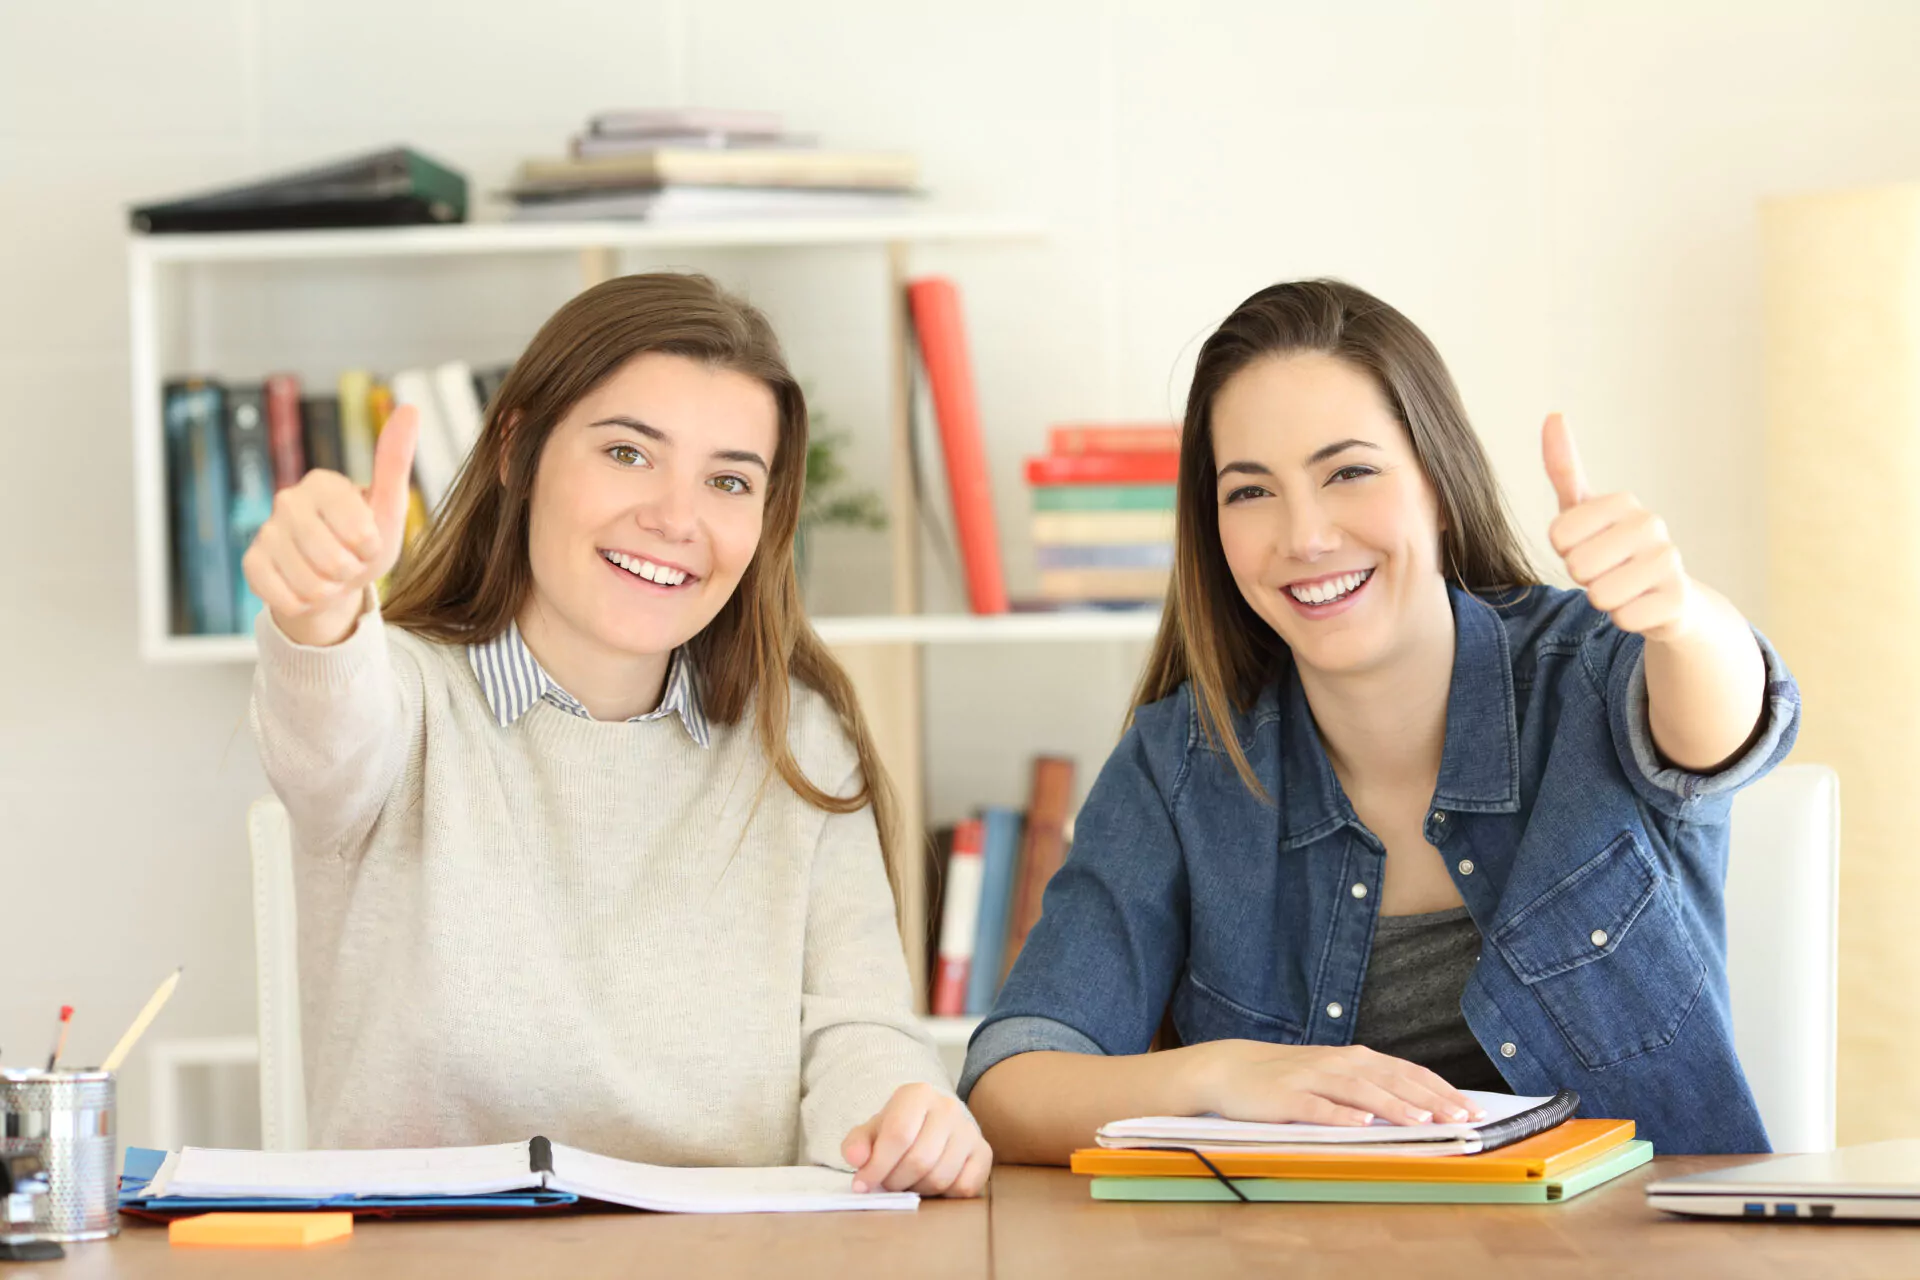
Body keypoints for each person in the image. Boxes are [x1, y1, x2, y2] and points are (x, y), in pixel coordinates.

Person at [963, 279, 1799, 1161]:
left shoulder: (1592, 669)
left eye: (1349, 472)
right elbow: (1011, 1084)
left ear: (1437, 480)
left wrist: (1684, 614)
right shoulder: (1181, 767)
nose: (1306, 535)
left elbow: (1722, 733)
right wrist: (1220, 1077)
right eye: (1251, 493)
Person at [245, 272, 990, 1196]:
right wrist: (319, 608)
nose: (676, 519)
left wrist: (903, 1117)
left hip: (723, 1261)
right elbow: (326, 720)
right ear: (518, 450)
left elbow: (856, 1032)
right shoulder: (402, 703)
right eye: (630, 454)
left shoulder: (795, 738)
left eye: (727, 481)